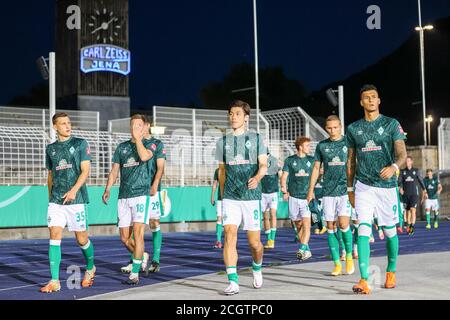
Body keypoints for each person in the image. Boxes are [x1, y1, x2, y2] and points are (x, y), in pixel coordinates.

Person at [347, 84, 407, 294]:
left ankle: (391, 272)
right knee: (363, 227)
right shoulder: (353, 128)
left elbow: (402, 154)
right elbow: (351, 160)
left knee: (390, 231)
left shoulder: (391, 124)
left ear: (379, 100)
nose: (370, 100)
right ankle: (364, 280)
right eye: (366, 97)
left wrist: (394, 167)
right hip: (363, 186)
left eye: (374, 97)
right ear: (361, 102)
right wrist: (349, 188)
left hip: (387, 188)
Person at [216, 100, 268, 295]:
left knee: (254, 243)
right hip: (230, 196)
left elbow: (263, 165)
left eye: (237, 113)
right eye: (231, 113)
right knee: (229, 234)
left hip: (251, 196)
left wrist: (257, 177)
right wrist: (222, 196)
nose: (233, 117)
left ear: (246, 117)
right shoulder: (222, 142)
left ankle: (257, 266)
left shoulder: (256, 138)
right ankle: (233, 281)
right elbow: (221, 171)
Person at [41, 112, 96, 293]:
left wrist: (73, 191)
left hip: (76, 199)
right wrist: (50, 197)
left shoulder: (80, 143)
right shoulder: (51, 149)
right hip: (56, 200)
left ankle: (90, 267)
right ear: (55, 127)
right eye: (63, 123)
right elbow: (50, 175)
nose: (67, 126)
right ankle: (55, 280)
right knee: (54, 234)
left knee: (82, 239)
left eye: (69, 123)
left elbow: (85, 170)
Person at [103, 114, 154, 285]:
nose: (135, 128)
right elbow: (115, 170)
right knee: (125, 238)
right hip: (123, 196)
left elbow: (145, 157)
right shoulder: (121, 148)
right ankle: (142, 256)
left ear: (143, 127)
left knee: (138, 233)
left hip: (141, 195)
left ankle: (135, 272)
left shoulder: (150, 144)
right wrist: (108, 188)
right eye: (133, 125)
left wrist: (139, 139)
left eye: (139, 125)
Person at [307, 115, 354, 276]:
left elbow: (355, 163)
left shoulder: (348, 142)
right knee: (330, 227)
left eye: (335, 127)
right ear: (326, 128)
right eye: (330, 128)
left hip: (345, 191)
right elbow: (315, 168)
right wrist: (310, 189)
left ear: (340, 126)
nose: (333, 131)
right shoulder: (322, 146)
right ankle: (336, 264)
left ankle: (348, 256)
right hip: (328, 192)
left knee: (343, 224)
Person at [281, 136, 315, 261]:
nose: (309, 148)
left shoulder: (312, 160)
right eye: (307, 146)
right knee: (298, 225)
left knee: (307, 225)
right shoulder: (290, 160)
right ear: (300, 147)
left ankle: (302, 248)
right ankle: (307, 249)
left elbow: (318, 172)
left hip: (306, 197)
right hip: (293, 197)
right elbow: (284, 176)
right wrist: (283, 189)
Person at [143, 117, 167, 275]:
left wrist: (154, 185)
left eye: (141, 124)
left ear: (148, 125)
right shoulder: (131, 144)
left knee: (153, 221)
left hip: (152, 190)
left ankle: (156, 259)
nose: (139, 127)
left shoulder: (157, 144)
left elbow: (160, 168)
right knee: (134, 225)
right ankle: (137, 257)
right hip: (134, 190)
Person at [399, 157, 427, 235]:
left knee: (413, 209)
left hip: (414, 194)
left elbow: (420, 180)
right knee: (408, 212)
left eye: (408, 161)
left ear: (411, 162)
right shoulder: (402, 171)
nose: (407, 162)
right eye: (406, 161)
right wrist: (400, 188)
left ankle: (411, 227)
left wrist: (424, 190)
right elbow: (399, 181)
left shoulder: (416, 171)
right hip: (406, 195)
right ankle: (408, 226)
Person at [261, 152, 281, 249]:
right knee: (265, 217)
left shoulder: (275, 160)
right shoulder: (259, 160)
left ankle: (272, 240)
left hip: (273, 192)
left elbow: (280, 174)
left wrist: (283, 187)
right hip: (262, 192)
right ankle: (268, 239)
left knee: (273, 215)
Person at [211, 168, 224, 249]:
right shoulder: (218, 170)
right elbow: (215, 184)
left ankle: (229, 241)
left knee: (228, 221)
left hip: (231, 200)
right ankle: (218, 241)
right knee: (219, 218)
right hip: (220, 199)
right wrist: (212, 196)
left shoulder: (232, 169)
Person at [313, 167, 327, 235]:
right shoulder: (315, 178)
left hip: (322, 198)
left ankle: (323, 226)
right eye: (320, 169)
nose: (321, 170)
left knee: (321, 212)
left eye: (322, 169)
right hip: (314, 197)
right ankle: (317, 227)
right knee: (314, 213)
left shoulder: (326, 178)